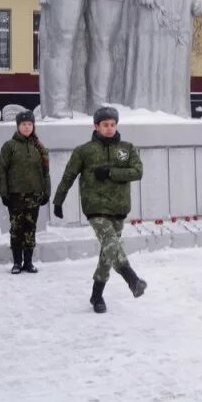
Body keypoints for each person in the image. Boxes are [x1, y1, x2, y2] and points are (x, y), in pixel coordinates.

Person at [52, 107, 146, 313]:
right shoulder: (83, 151)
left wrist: (112, 172)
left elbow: (138, 171)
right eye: (105, 125)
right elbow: (69, 176)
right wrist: (58, 201)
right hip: (95, 207)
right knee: (111, 243)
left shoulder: (127, 148)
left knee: (108, 254)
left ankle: (96, 296)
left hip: (119, 207)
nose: (110, 129)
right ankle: (132, 279)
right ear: (96, 126)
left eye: (113, 125)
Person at [0, 111, 51, 274]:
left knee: (30, 228)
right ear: (18, 126)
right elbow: (2, 170)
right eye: (23, 124)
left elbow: (45, 172)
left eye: (29, 124)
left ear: (33, 126)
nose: (27, 127)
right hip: (15, 196)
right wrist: (4, 193)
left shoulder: (39, 147)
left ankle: (28, 262)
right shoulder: (9, 146)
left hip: (34, 195)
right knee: (16, 229)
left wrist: (46, 191)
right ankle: (16, 263)